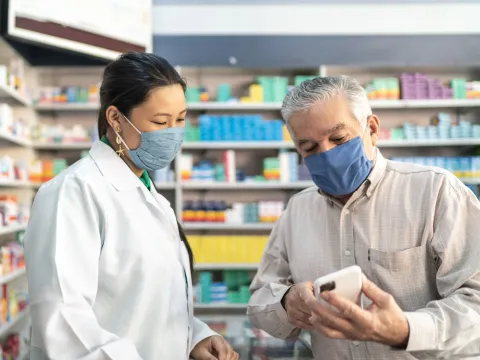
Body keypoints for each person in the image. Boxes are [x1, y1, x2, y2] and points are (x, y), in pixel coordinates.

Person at [24, 52, 239, 360]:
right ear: (115, 118)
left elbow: (149, 301)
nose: (173, 134)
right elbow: (63, 321)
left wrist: (194, 336)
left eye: (180, 120)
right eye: (160, 121)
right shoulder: (73, 192)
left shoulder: (153, 197)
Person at [247, 76, 480, 359]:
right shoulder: (298, 210)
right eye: (309, 148)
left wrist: (407, 330)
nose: (328, 154)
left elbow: (475, 303)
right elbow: (259, 299)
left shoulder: (436, 192)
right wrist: (285, 302)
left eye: (339, 138)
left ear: (371, 128)